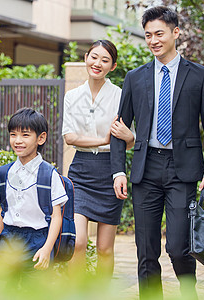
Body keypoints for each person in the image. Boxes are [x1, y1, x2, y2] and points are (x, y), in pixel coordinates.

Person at [110, 6, 204, 299]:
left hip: (182, 170)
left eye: (159, 33)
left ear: (175, 33)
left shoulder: (199, 75)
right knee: (146, 250)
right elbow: (119, 128)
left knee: (177, 246)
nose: (153, 40)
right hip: (145, 170)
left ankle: (188, 292)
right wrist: (118, 170)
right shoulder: (135, 77)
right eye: (148, 35)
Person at [62, 39, 135, 279]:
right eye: (94, 57)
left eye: (105, 60)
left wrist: (129, 138)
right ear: (86, 58)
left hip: (111, 171)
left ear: (113, 66)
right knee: (78, 242)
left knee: (104, 249)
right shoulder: (72, 96)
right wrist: (104, 140)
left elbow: (129, 138)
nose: (98, 63)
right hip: (81, 171)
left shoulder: (121, 96)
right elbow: (70, 137)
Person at [0, 107, 68, 271]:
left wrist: (47, 249)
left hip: (37, 240)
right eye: (13, 134)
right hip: (8, 239)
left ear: (41, 138)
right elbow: (3, 211)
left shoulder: (48, 175)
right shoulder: (5, 172)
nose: (17, 140)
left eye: (25, 135)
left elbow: (56, 217)